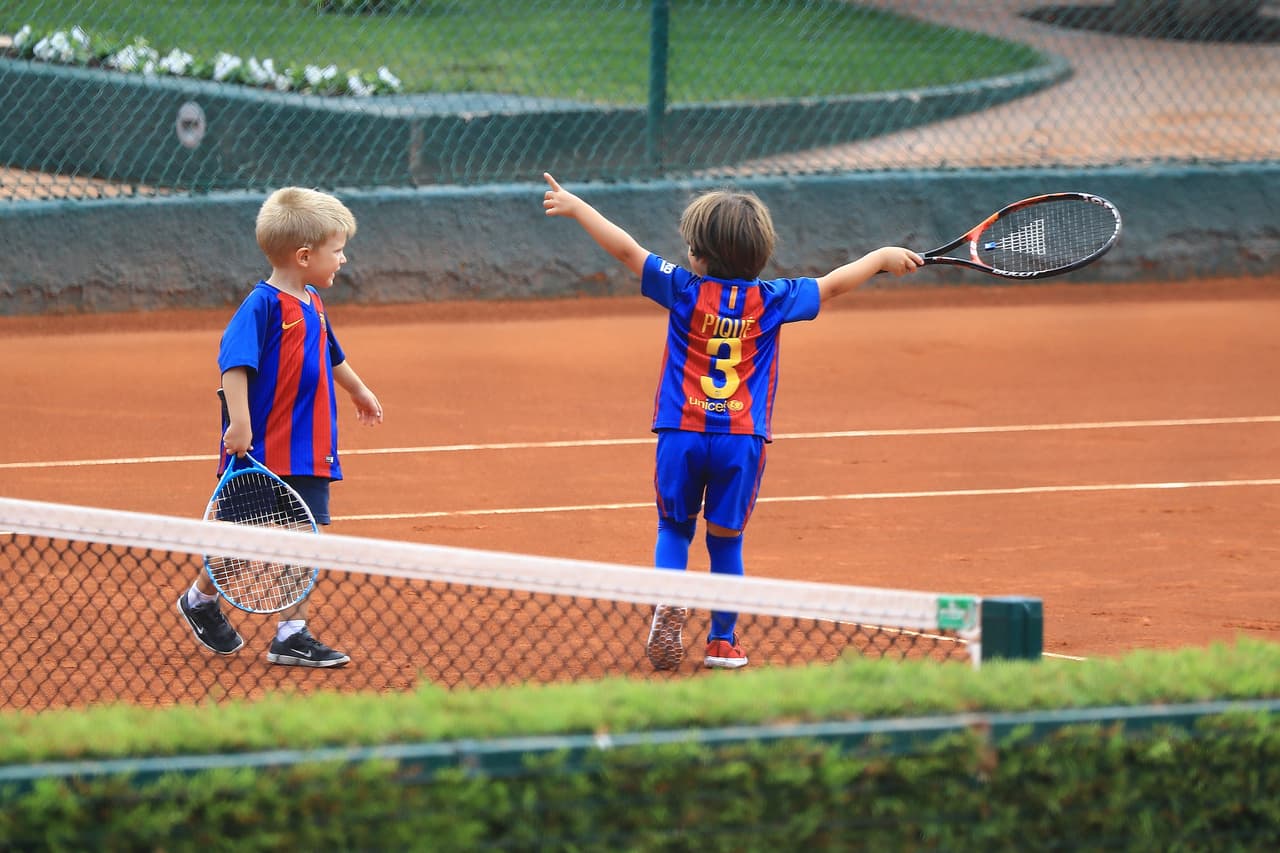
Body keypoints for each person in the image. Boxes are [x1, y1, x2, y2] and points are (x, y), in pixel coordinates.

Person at [541, 172, 921, 671]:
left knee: (673, 527)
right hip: (741, 439)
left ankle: (669, 598)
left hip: (682, 431)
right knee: (726, 541)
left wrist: (577, 207)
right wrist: (881, 257)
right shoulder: (775, 298)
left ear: (699, 256)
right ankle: (722, 642)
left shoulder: (682, 288)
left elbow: (627, 250)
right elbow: (832, 284)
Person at [178, 186, 384, 668]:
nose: (344, 259)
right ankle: (201, 598)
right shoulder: (262, 305)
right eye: (338, 250)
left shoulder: (314, 301)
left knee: (302, 534)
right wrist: (240, 424)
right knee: (240, 537)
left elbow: (331, 353)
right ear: (305, 256)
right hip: (261, 449)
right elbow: (234, 365)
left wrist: (357, 390)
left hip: (309, 449)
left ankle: (291, 633)